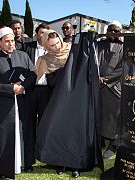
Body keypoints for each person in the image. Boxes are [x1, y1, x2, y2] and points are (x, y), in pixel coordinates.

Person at [35, 32, 103, 178]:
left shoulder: (74, 52)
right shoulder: (44, 60)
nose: (56, 47)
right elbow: (47, 83)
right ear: (46, 46)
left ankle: (76, 165)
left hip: (77, 102)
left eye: (58, 43)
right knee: (59, 133)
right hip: (58, 103)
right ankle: (60, 162)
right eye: (52, 45)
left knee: (75, 134)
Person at [0, 27, 36, 179]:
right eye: (7, 41)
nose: (10, 44)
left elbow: (32, 74)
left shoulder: (23, 55)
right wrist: (11, 88)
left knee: (24, 131)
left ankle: (26, 163)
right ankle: (3, 170)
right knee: (3, 136)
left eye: (12, 40)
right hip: (3, 105)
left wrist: (23, 87)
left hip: (23, 102)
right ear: (0, 43)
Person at [22, 23, 50, 173]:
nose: (44, 35)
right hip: (30, 92)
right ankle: (28, 161)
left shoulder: (52, 48)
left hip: (47, 91)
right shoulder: (28, 47)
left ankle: (46, 158)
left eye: (46, 32)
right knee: (29, 127)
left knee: (46, 126)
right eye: (41, 32)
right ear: (36, 34)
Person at [98, 21, 123, 159]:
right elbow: (91, 62)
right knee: (98, 114)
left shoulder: (124, 48)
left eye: (116, 31)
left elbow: (123, 68)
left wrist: (105, 80)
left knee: (113, 116)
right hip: (97, 86)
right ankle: (99, 140)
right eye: (110, 30)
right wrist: (97, 78)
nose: (112, 33)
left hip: (114, 87)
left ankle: (113, 144)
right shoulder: (98, 45)